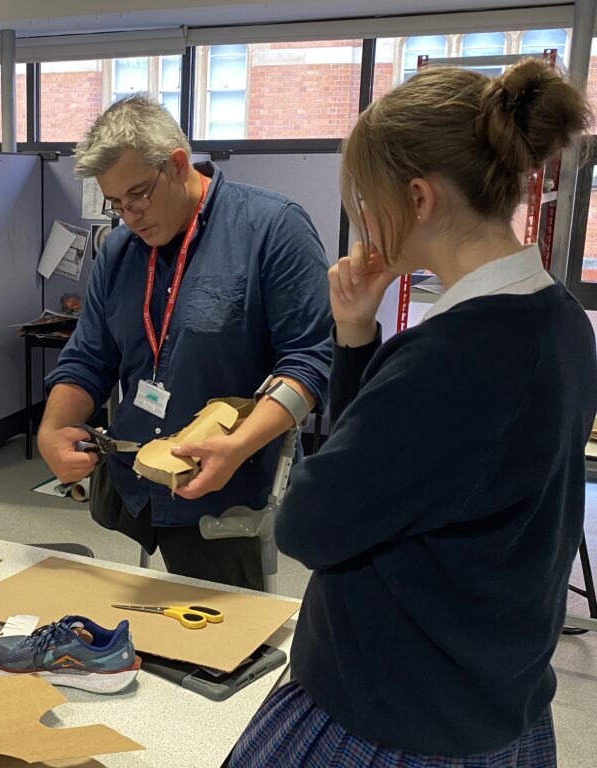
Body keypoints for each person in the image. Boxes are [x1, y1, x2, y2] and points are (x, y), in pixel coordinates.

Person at [227, 59, 596, 766]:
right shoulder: (559, 321)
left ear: (418, 198)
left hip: (394, 712)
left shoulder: (454, 357)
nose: (364, 221)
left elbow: (311, 521)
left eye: (367, 201)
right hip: (489, 692)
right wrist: (357, 339)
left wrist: (362, 357)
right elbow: (405, 476)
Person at [39, 94, 332, 589]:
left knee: (223, 644)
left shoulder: (272, 228)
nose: (129, 216)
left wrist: (238, 445)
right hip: (138, 475)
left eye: (139, 196)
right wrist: (52, 428)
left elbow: (307, 363)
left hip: (227, 485)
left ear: (177, 165)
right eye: (116, 205)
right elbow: (89, 355)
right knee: (142, 626)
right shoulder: (119, 250)